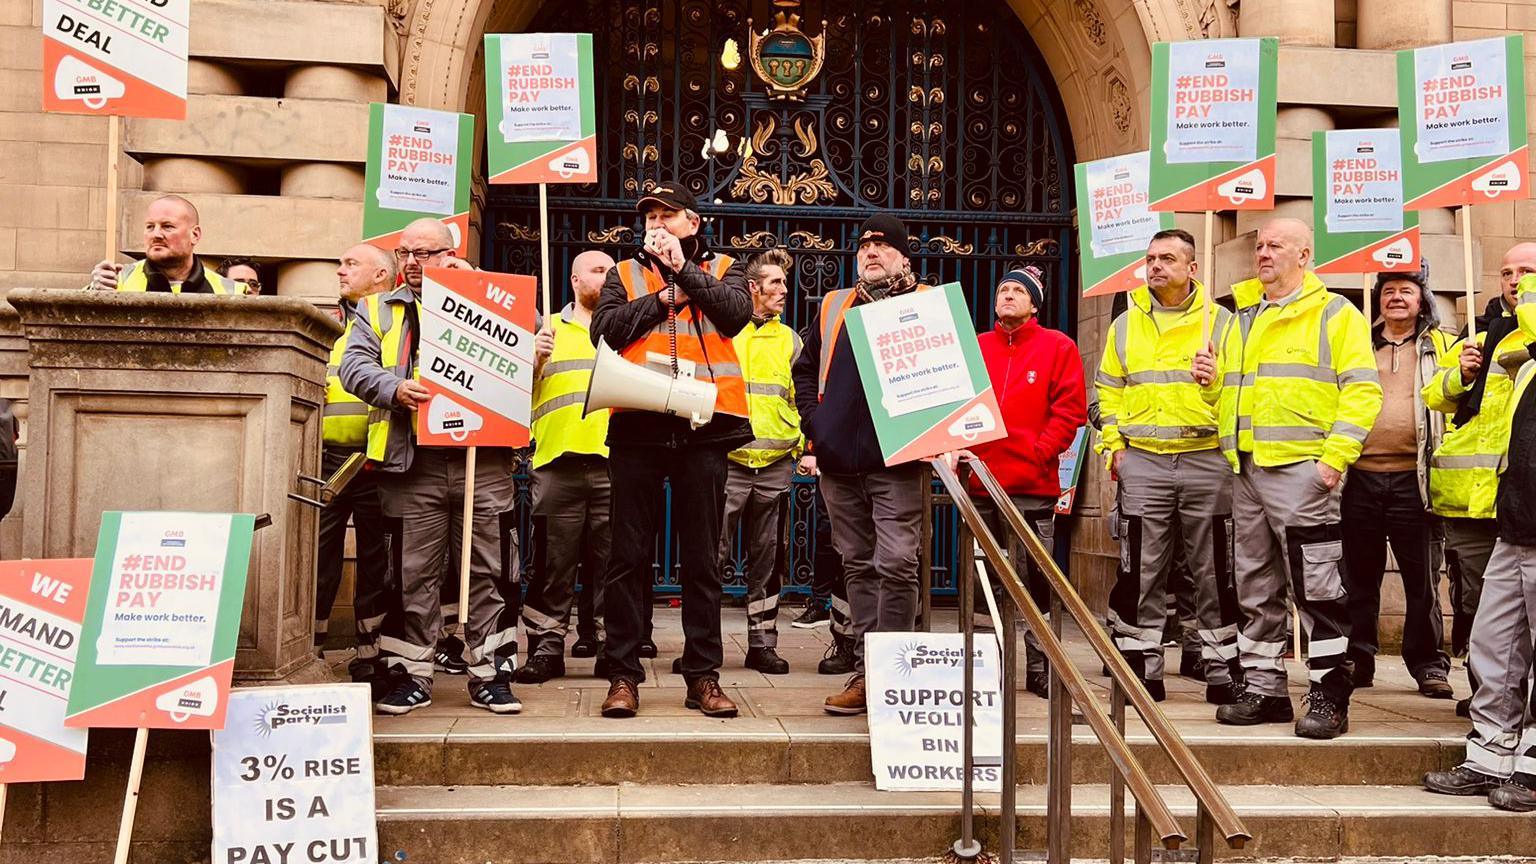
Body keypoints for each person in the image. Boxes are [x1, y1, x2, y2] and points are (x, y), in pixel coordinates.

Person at [1198, 217, 1382, 739]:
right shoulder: (1239, 317)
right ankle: (1264, 687)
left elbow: (1363, 391)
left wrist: (1336, 458)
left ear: (1304, 255)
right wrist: (1211, 386)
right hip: (1248, 469)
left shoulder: (1334, 313)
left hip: (1304, 471)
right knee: (1255, 585)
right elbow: (1230, 396)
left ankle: (1329, 690)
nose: (1263, 253)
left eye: (1275, 245)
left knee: (1317, 587)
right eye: (1259, 245)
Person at [339, 218, 522, 716]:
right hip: (411, 461)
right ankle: (410, 674)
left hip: (482, 461)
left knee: (490, 567)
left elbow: (522, 366)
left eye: (425, 252)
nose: (413, 262)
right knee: (410, 572)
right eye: (404, 253)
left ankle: (492, 674)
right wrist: (394, 389)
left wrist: (536, 350)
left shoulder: (492, 299)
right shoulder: (376, 308)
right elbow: (355, 368)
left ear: (450, 253)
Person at [591, 180, 751, 719]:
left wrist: (684, 273)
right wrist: (664, 298)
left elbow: (734, 315)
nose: (656, 223)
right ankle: (622, 675)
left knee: (704, 557)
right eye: (650, 216)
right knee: (627, 555)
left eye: (668, 215)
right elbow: (606, 332)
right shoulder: (624, 273)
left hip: (705, 427)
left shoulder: (725, 268)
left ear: (694, 223)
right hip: (638, 423)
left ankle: (702, 675)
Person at [1097, 228, 1242, 704]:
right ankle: (1144, 666)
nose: (1155, 266)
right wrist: (1115, 448)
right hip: (1143, 461)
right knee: (1142, 567)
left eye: (1166, 259)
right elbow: (1108, 390)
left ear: (1192, 268)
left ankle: (1223, 668)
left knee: (1214, 566)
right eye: (1150, 258)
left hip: (1207, 459)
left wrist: (1214, 381)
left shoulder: (1221, 323)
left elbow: (1242, 395)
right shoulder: (1125, 324)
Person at [791, 214, 928, 716]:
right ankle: (870, 673)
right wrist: (816, 422)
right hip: (839, 462)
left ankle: (893, 670)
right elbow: (804, 368)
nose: (870, 251)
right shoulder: (833, 305)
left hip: (897, 461)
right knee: (858, 564)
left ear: (903, 255)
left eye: (882, 244)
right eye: (864, 244)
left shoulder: (927, 303)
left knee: (896, 562)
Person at [1422, 292, 1536, 812]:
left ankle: (1531, 764)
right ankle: (1488, 753)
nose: (1518, 285)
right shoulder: (1519, 363)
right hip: (1515, 524)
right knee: (1494, 647)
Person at [968, 265, 1086, 698]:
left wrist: (1039, 451)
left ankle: (1040, 664)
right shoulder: (977, 347)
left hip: (1032, 487)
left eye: (1019, 290)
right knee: (983, 586)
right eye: (1004, 290)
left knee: (1036, 584)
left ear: (1034, 303)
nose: (1009, 296)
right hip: (979, 485)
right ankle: (988, 666)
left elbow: (1070, 411)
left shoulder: (1059, 347)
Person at [1339, 263, 1454, 699]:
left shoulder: (1443, 346)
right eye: (1388, 291)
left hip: (1416, 480)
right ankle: (1358, 659)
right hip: (1360, 478)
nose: (1396, 298)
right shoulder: (1356, 345)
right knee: (1358, 578)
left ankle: (1428, 663)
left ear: (1422, 299)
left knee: (1422, 580)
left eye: (1405, 290)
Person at [516, 250, 617, 684]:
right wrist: (532, 360)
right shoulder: (546, 330)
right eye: (598, 270)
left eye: (613, 271)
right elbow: (512, 397)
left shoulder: (624, 327)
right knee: (552, 565)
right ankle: (546, 647)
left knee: (615, 565)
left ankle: (613, 648)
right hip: (557, 462)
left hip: (615, 463)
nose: (608, 276)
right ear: (575, 279)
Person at [314, 244, 397, 697]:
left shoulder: (394, 323)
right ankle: (312, 648)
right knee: (318, 559)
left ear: (381, 274)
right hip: (324, 461)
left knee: (375, 562)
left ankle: (370, 655)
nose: (340, 270)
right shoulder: (326, 324)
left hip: (375, 459)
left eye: (350, 264)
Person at [716, 248, 803, 674]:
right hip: (729, 460)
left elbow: (799, 397)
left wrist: (803, 447)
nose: (784, 290)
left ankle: (762, 644)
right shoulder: (724, 332)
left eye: (785, 283)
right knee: (710, 555)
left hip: (775, 464)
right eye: (775, 283)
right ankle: (706, 644)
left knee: (767, 559)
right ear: (753, 288)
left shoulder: (791, 339)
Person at [87, 195, 239, 294]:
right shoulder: (114, 282)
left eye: (167, 226)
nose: (156, 235)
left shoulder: (230, 292)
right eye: (150, 227)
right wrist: (93, 293)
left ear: (195, 235)